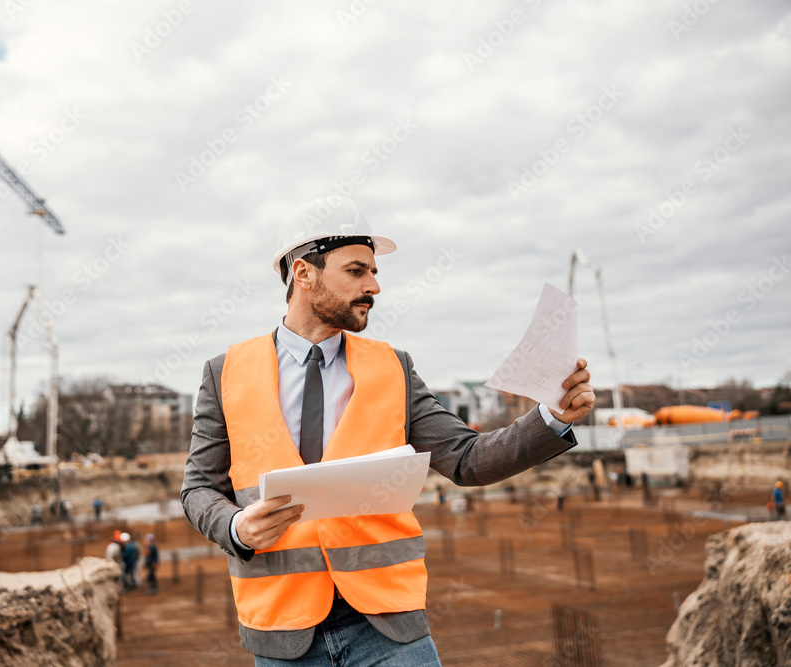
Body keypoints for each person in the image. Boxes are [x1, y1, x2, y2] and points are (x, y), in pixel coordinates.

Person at [180, 196, 595, 664]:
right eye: (357, 271)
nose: (374, 286)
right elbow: (198, 489)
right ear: (303, 273)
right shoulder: (225, 373)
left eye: (374, 273)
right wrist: (235, 526)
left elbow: (467, 458)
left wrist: (552, 417)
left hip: (388, 626)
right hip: (283, 631)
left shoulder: (393, 368)